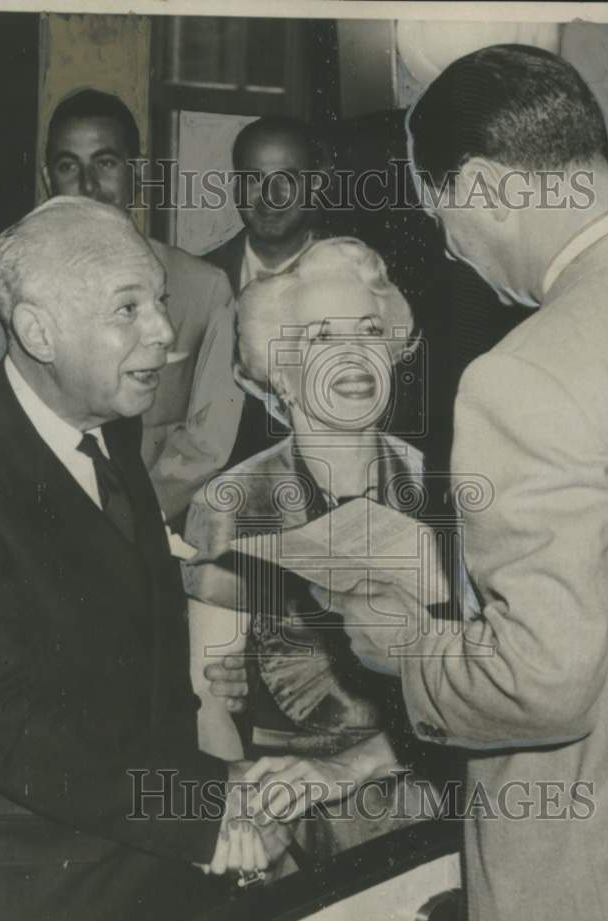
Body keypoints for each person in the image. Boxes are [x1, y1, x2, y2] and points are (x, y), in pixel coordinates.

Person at [278, 45, 608, 921]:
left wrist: (402, 648)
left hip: (591, 912)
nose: (454, 253)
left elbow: (545, 682)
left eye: (442, 217)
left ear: (490, 189)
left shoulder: (527, 373)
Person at [0, 197, 288, 921]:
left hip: (146, 867)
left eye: (159, 301)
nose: (164, 334)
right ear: (37, 332)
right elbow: (1, 724)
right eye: (126, 310)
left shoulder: (108, 427)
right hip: (38, 906)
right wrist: (199, 811)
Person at [184, 238, 445, 855]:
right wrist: (244, 814)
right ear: (281, 370)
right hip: (293, 812)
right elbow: (209, 707)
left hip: (429, 782)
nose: (353, 357)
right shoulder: (237, 503)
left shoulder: (438, 485)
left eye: (370, 332)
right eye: (322, 339)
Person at [0, 88, 243, 525]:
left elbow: (209, 438)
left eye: (105, 163)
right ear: (49, 178)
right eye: (69, 166)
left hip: (146, 524)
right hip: (21, 522)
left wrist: (134, 514)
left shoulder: (204, 287)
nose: (87, 185)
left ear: (136, 174)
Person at [204, 116, 331, 466]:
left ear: (316, 184)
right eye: (253, 180)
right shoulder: (198, 283)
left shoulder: (355, 280)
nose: (270, 197)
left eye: (287, 180)